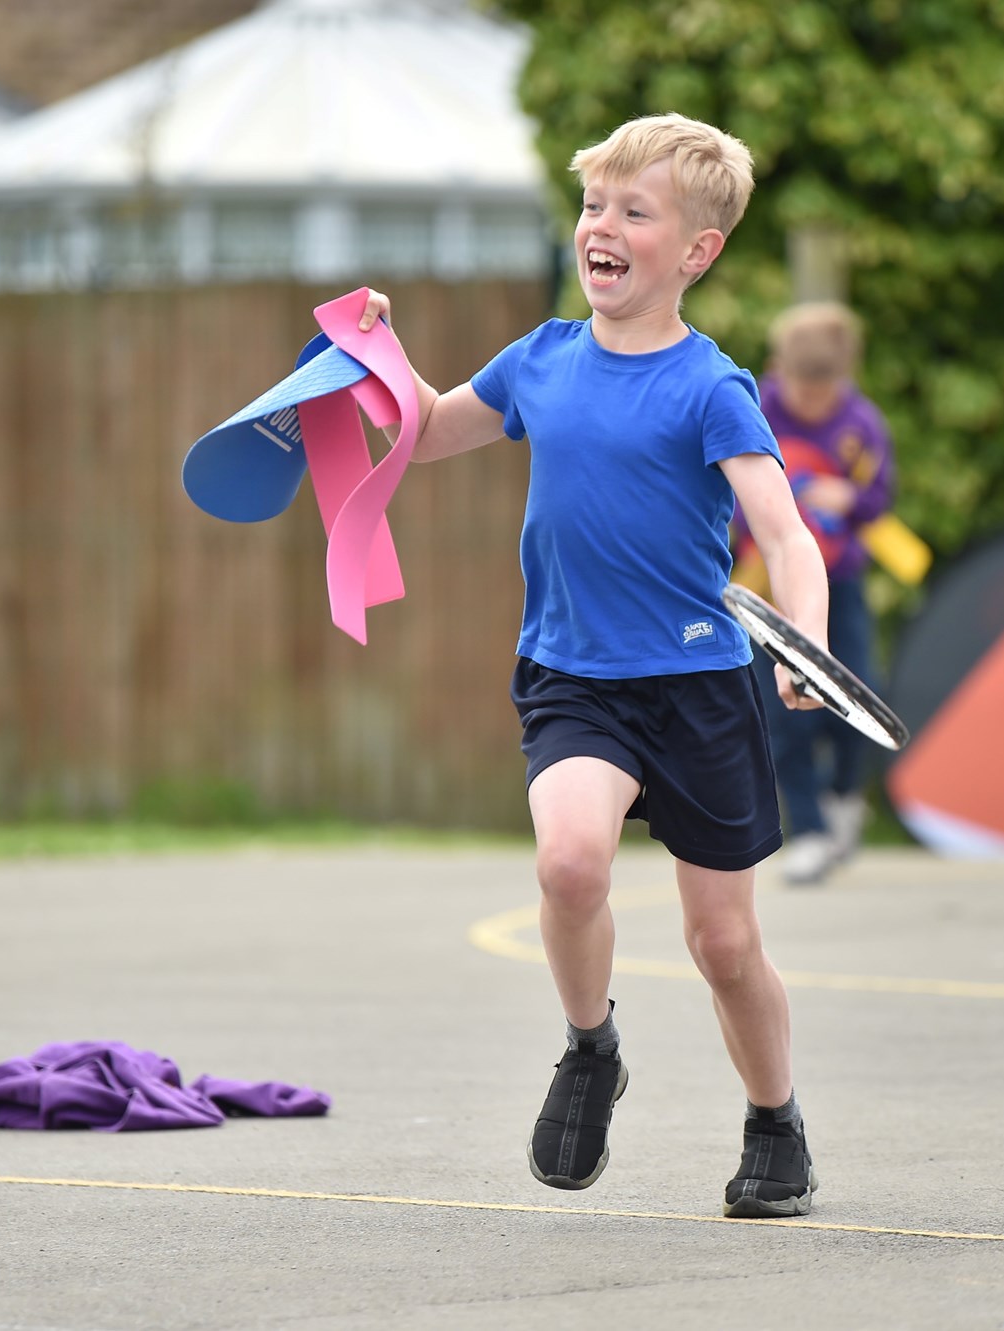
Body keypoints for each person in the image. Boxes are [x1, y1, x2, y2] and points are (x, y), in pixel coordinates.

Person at [354, 114, 831, 1218]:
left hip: (699, 687)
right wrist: (375, 354)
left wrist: (803, 642)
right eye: (592, 207)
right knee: (569, 865)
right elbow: (424, 431)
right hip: (573, 676)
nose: (600, 228)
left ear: (696, 251)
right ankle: (588, 1047)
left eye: (633, 211)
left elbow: (788, 533)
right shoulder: (541, 359)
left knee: (721, 943)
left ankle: (774, 1119)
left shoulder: (712, 386)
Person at [733, 302, 897, 886]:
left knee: (860, 691)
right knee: (783, 715)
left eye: (825, 389)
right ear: (780, 369)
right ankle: (807, 831)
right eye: (804, 386)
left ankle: (844, 797)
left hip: (840, 581)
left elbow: (879, 496)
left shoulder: (862, 424)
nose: (813, 401)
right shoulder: (753, 409)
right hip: (769, 592)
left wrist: (848, 500)